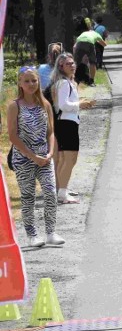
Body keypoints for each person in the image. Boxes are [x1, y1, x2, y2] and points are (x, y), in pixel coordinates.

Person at [7, 67, 63, 247]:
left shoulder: (45, 104)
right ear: (20, 83)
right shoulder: (14, 106)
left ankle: (51, 232)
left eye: (34, 81)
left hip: (44, 157)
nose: (31, 84)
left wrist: (50, 152)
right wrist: (32, 156)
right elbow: (13, 136)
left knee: (50, 192)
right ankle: (32, 235)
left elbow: (50, 132)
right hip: (24, 158)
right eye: (27, 81)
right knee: (28, 196)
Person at [49, 53, 96, 204]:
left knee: (66, 159)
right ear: (61, 67)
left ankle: (62, 190)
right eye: (68, 64)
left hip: (67, 123)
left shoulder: (67, 82)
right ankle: (62, 194)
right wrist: (79, 104)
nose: (72, 65)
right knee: (69, 159)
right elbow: (63, 105)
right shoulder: (63, 83)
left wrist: (81, 102)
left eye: (73, 63)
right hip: (66, 124)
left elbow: (67, 103)